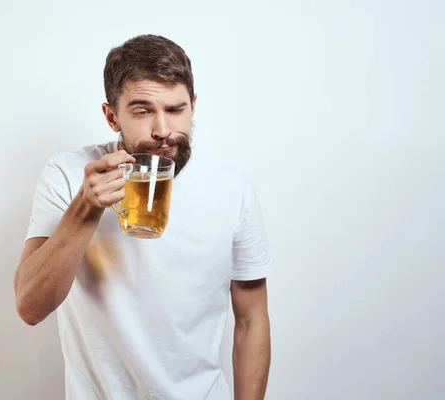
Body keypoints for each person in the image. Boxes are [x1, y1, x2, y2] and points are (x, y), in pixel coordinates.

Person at [14, 34, 274, 400]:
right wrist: (86, 207)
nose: (162, 129)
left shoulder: (232, 189)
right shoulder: (68, 173)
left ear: (193, 106)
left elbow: (251, 319)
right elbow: (30, 306)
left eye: (175, 109)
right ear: (111, 116)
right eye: (142, 111)